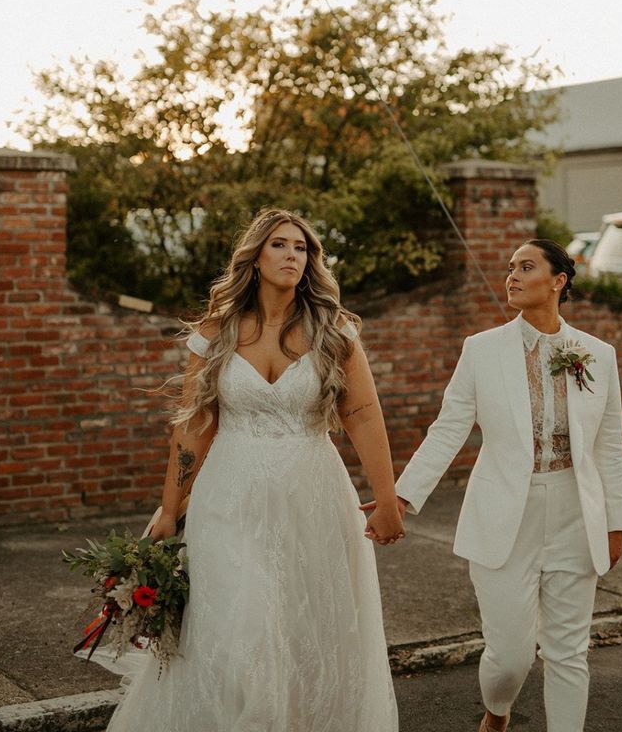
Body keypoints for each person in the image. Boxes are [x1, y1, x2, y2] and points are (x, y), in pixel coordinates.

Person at [102, 207, 403, 732]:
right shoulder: (215, 334)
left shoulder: (334, 332)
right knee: (237, 630)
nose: (293, 256)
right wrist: (170, 512)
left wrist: (387, 499)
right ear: (256, 258)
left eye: (302, 248)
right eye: (280, 246)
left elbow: (362, 416)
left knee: (307, 630)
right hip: (229, 499)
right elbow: (193, 427)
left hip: (313, 498)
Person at [367, 238, 622, 732]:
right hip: (504, 516)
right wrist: (397, 498)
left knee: (569, 653)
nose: (511, 275)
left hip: (577, 512)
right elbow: (448, 429)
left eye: (525, 267)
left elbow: (608, 445)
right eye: (509, 267)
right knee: (510, 657)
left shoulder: (598, 354)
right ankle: (497, 713)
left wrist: (616, 522)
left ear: (558, 281)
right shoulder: (481, 350)